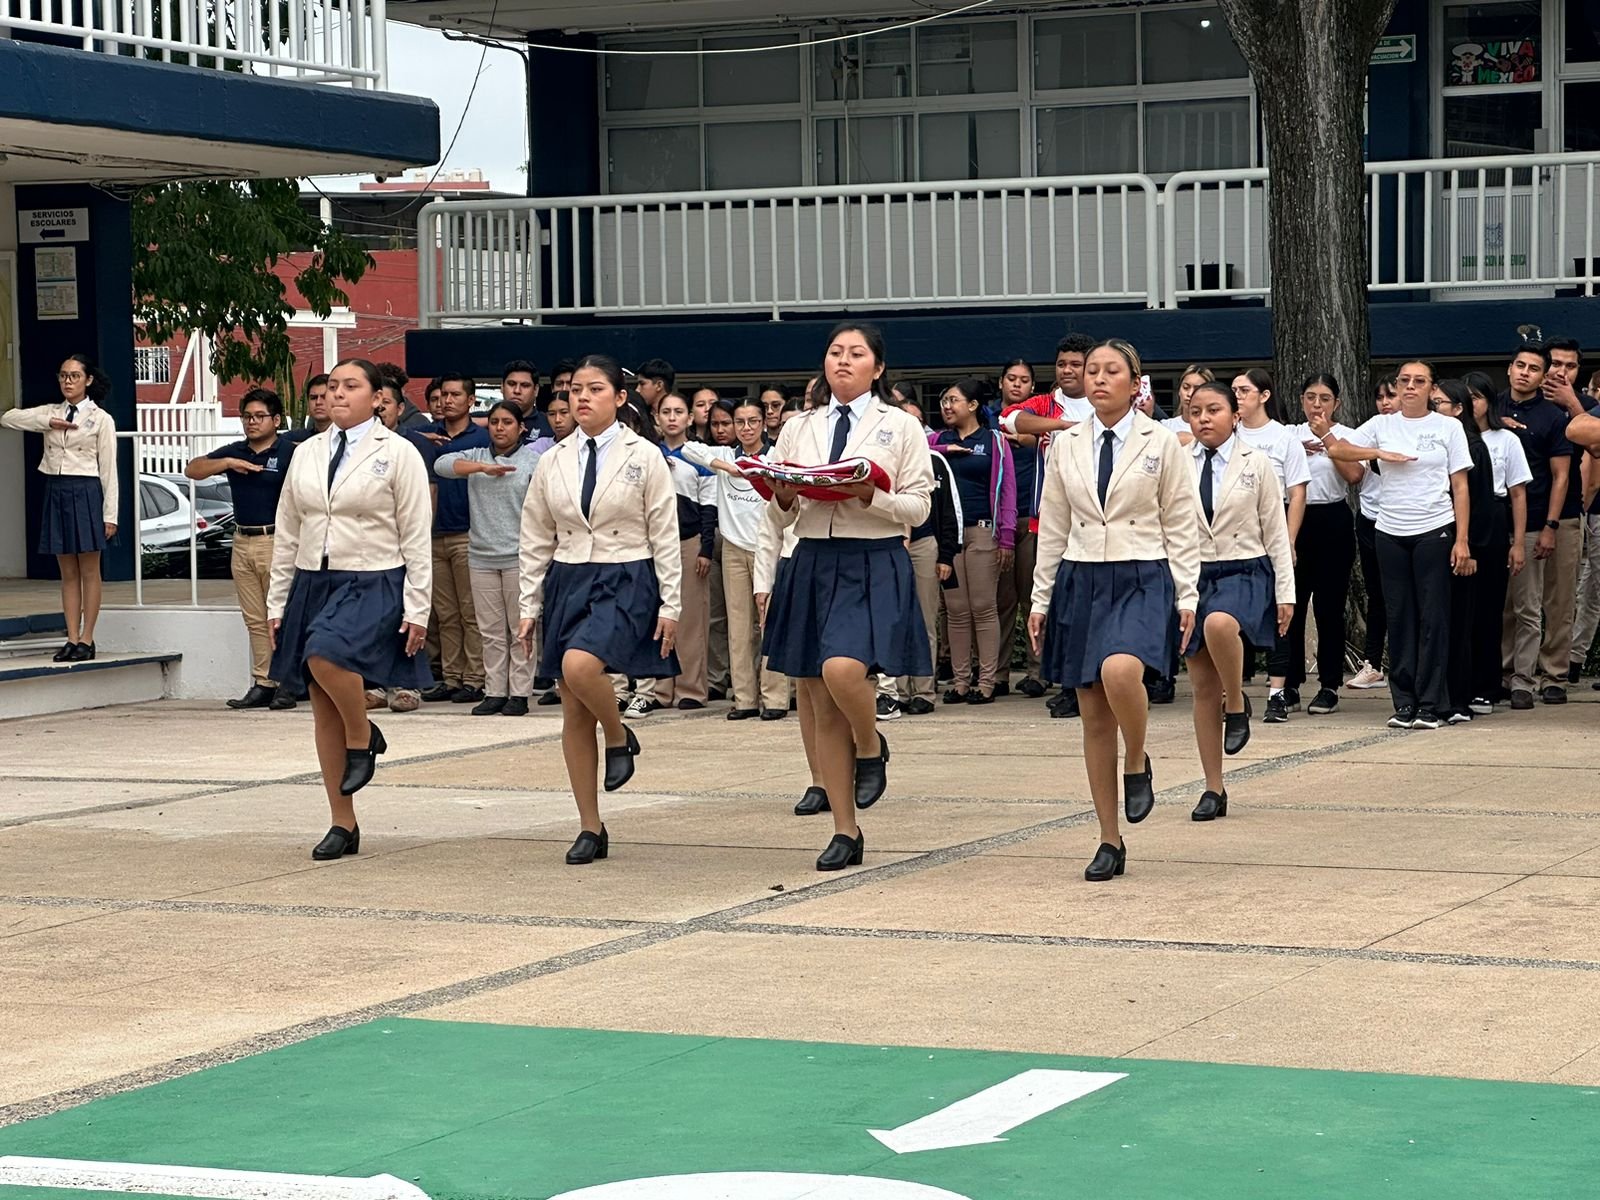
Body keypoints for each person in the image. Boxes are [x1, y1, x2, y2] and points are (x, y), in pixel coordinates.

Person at [760, 322, 932, 872]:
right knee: (813, 688)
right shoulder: (798, 426)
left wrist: (871, 494)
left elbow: (919, 507)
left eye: (856, 354)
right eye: (835, 352)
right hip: (810, 558)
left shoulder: (899, 427)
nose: (843, 361)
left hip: (872, 556)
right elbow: (777, 511)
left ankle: (870, 741)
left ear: (877, 368)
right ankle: (844, 828)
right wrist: (781, 495)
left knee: (842, 670)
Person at [1029, 339, 1201, 882]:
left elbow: (1181, 520)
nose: (1097, 378)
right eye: (1090, 370)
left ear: (1135, 382)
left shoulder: (1162, 441)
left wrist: (1188, 593)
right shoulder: (1067, 443)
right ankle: (1108, 838)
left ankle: (1139, 757)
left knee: (1120, 670)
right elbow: (1053, 524)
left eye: (1111, 371)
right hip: (1081, 575)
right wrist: (1040, 597)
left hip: (1142, 572)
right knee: (1093, 712)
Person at [516, 356, 682, 866]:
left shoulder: (645, 455)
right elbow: (535, 534)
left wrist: (671, 603)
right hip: (570, 575)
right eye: (573, 391)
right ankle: (590, 825)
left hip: (626, 573)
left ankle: (618, 733)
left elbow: (665, 532)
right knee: (571, 706)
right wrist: (528, 603)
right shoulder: (553, 458)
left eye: (594, 390)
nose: (580, 398)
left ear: (620, 398)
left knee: (579, 666)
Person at [266, 358, 433, 861]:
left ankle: (363, 734)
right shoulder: (307, 452)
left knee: (325, 655)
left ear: (376, 398)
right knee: (321, 705)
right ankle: (343, 822)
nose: (337, 393)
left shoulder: (398, 452)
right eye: (332, 385)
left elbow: (416, 533)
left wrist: (418, 606)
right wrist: (278, 600)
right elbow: (288, 528)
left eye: (351, 386)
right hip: (314, 579)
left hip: (375, 576)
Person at [1325, 360, 1472, 730]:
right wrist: (1378, 454)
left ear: (1431, 389)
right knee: (1400, 617)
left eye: (1418, 381)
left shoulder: (1448, 427)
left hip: (1435, 528)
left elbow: (1461, 486)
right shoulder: (1381, 425)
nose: (1409, 387)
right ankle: (1403, 702)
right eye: (1404, 381)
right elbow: (1338, 451)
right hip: (1389, 531)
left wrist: (1463, 540)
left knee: (1433, 618)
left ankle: (1431, 703)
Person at [1182, 382, 1294, 819]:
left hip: (1245, 568)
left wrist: (1286, 591)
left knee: (1220, 625)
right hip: (1193, 574)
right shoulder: (1177, 461)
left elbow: (1276, 530)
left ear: (1235, 415)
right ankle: (1213, 787)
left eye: (1214, 410)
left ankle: (1237, 700)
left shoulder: (1257, 462)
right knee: (1200, 687)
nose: (1204, 418)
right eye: (1195, 412)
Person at [185, 386, 298, 710]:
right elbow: (192, 469)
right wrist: (229, 463)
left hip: (276, 539)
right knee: (254, 618)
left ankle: (287, 682)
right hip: (242, 540)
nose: (252, 422)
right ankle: (263, 681)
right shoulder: (236, 450)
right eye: (247, 416)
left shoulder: (289, 452)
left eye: (260, 416)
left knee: (281, 615)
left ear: (276, 420)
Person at [1004, 332, 1098, 719]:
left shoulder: (1104, 400)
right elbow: (1010, 418)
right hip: (1051, 520)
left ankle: (1092, 683)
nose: (1068, 370)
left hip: (1096, 520)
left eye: (1076, 364)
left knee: (1088, 605)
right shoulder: (1047, 403)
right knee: (1057, 604)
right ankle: (1069, 685)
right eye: (1062, 364)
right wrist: (1061, 427)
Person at [1, 354, 119, 662]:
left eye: (75, 376)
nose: (68, 381)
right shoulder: (51, 412)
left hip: (86, 490)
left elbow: (108, 470)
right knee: (67, 570)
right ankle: (71, 636)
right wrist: (46, 423)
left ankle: (88, 638)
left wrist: (111, 514)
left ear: (88, 380)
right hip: (57, 488)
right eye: (64, 376)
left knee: (89, 569)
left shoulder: (100, 419)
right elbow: (8, 417)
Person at [683, 397, 789, 720]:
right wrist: (726, 467)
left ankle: (774, 698)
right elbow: (689, 449)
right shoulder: (726, 454)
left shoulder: (775, 456)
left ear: (764, 422)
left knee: (769, 623)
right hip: (732, 549)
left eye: (753, 421)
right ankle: (744, 698)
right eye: (739, 422)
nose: (746, 428)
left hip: (767, 548)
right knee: (739, 626)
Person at [435, 400, 544, 717]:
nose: (499, 427)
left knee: (519, 630)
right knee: (491, 631)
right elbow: (442, 465)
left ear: (521, 427)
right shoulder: (476, 457)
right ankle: (495, 691)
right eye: (494, 421)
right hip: (480, 555)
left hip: (518, 556)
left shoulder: (533, 462)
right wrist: (483, 468)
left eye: (507, 422)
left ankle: (520, 694)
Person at [1497, 343, 1578, 708]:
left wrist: (1550, 525)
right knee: (1505, 606)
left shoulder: (1553, 417)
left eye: (1533, 368)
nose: (1524, 372)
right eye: (1519, 365)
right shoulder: (1492, 406)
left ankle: (1543, 678)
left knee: (1543, 604)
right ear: (1510, 368)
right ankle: (1503, 673)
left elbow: (1562, 476)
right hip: (1495, 523)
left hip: (1538, 518)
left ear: (1542, 375)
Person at [1232, 368, 1310, 722]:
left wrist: (1288, 541)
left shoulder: (1284, 438)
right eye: (1233, 390)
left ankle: (1277, 692)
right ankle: (1231, 694)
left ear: (1264, 395)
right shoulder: (1227, 435)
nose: (1237, 396)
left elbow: (1297, 493)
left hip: (1273, 522)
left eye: (1244, 390)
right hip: (1234, 528)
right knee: (1230, 615)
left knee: (1280, 613)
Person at [932, 378, 1016, 704]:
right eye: (944, 401)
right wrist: (945, 450)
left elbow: (1007, 491)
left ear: (972, 405)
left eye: (953, 400)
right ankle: (960, 681)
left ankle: (987, 682)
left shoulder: (994, 441)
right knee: (955, 610)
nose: (947, 407)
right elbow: (914, 450)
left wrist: (1006, 538)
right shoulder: (940, 438)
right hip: (949, 536)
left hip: (983, 531)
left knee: (983, 607)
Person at [1285, 373, 1363, 716]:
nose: (1317, 405)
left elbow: (1355, 476)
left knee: (1329, 606)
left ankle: (1329, 684)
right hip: (1294, 520)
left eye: (1325, 398)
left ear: (1337, 403)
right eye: (1311, 397)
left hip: (1332, 518)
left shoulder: (1346, 435)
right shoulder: (1288, 434)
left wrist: (1328, 441)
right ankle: (1288, 682)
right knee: (1292, 602)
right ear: (1302, 400)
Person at [632, 393, 715, 716]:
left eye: (679, 412)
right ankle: (661, 688)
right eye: (665, 412)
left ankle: (691, 688)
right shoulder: (648, 455)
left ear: (690, 418)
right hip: (652, 545)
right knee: (657, 617)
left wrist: (706, 548)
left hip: (689, 542)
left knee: (691, 620)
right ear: (657, 418)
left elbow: (709, 506)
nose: (672, 417)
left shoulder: (699, 456)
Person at [879, 395, 961, 718]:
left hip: (924, 545)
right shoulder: (882, 461)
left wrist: (946, 555)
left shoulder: (935, 461)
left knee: (926, 620)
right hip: (888, 544)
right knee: (893, 620)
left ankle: (924, 691)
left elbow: (949, 511)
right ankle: (896, 691)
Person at [419, 373, 491, 704]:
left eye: (455, 395)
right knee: (444, 613)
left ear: (471, 400)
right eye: (443, 395)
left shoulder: (483, 438)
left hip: (468, 534)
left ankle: (475, 678)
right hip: (433, 535)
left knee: (470, 611)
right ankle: (451, 676)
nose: (447, 401)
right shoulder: (425, 438)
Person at [1466, 371, 1529, 713]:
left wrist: (1517, 543)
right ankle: (1461, 680)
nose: (1472, 403)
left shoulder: (1506, 439)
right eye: (1467, 397)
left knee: (1490, 609)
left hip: (1492, 518)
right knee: (1461, 608)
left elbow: (1518, 493)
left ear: (1489, 401)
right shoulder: (1453, 435)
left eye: (1478, 397)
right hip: (1456, 518)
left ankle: (1487, 685)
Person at [1432, 379, 1494, 724]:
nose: (1433, 409)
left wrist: (1467, 546)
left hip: (1462, 545)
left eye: (1439, 403)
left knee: (1460, 624)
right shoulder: (1437, 441)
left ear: (1458, 409)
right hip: (1434, 541)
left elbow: (1480, 503)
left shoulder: (1473, 446)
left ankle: (1459, 696)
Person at [994, 358, 1046, 699]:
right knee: (999, 602)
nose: (1017, 385)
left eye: (1024, 380)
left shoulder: (1042, 424)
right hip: (996, 524)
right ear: (1001, 383)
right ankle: (996, 674)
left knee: (1033, 599)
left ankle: (1037, 672)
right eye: (1011, 378)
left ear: (1031, 388)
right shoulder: (984, 420)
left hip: (1031, 518)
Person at [1348, 376, 1399, 691]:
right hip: (1370, 520)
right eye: (1380, 397)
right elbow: (1348, 457)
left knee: (1407, 596)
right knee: (1376, 595)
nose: (1385, 402)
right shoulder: (1368, 430)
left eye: (1390, 395)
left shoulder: (1415, 428)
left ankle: (1410, 661)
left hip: (1405, 522)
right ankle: (1373, 664)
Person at [501, 359, 547, 441]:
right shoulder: (484, 422)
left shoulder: (550, 425)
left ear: (536, 390)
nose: (517, 391)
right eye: (511, 384)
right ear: (502, 387)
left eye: (525, 385)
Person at [285, 374, 331, 443]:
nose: (318, 402)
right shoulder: (291, 439)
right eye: (313, 398)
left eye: (324, 397)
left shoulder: (347, 439)